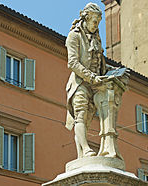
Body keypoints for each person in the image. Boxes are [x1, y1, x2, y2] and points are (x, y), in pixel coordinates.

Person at [65, 3, 106, 158]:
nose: (96, 25)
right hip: (80, 83)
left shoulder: (96, 39)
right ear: (87, 18)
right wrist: (91, 77)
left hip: (93, 85)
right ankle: (86, 149)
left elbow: (99, 62)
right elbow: (72, 63)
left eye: (98, 22)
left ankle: (81, 156)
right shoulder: (74, 36)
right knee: (80, 116)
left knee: (85, 123)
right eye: (94, 21)